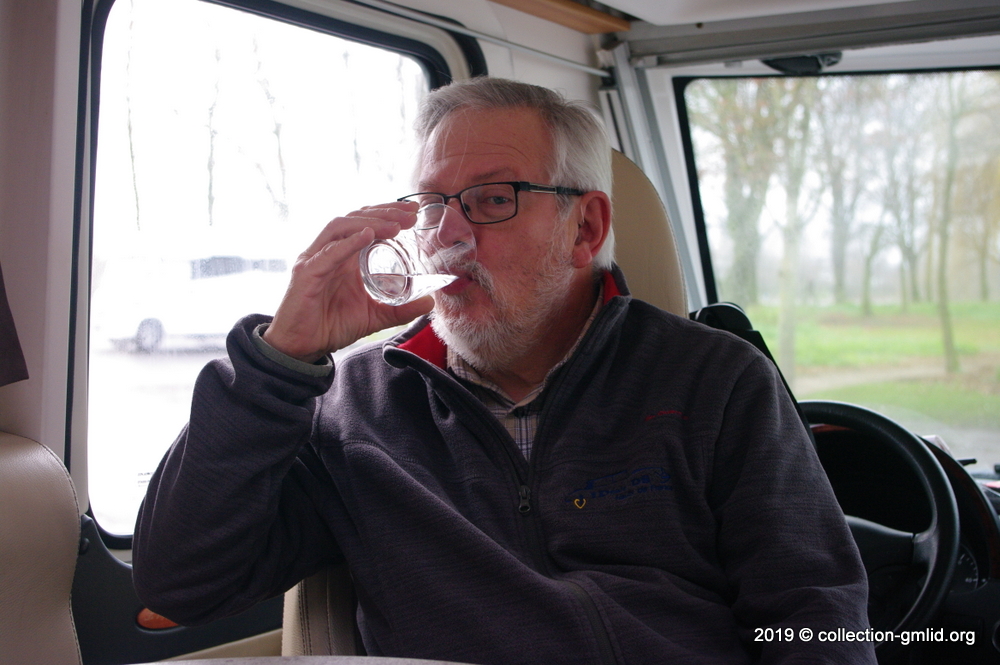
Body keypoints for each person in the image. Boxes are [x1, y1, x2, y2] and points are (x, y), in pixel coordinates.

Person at [132, 77, 875, 664]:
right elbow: (181, 581)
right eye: (430, 204)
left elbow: (815, 615)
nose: (447, 234)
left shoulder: (713, 380)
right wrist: (278, 360)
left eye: (492, 199)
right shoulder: (351, 406)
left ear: (583, 228)